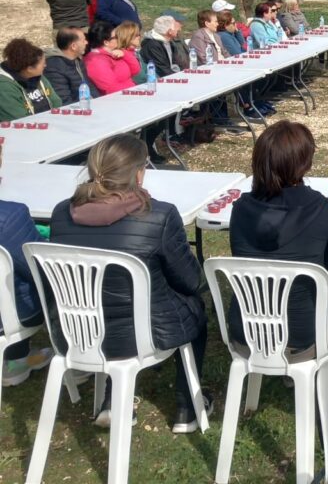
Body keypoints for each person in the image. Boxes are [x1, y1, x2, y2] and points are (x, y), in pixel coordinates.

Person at [48, 134, 210, 432]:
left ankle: (113, 399)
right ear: (138, 173)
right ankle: (187, 405)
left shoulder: (61, 214)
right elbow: (189, 280)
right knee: (196, 310)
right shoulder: (158, 215)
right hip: (144, 333)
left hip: (79, 331)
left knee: (108, 303)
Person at [229, 121, 328, 349]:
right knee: (326, 291)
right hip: (304, 333)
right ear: (305, 164)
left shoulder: (241, 208)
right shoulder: (326, 209)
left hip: (246, 328)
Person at [0, 199, 51, 388]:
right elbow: (40, 270)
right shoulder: (12, 215)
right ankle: (15, 361)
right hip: (9, 317)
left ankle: (16, 357)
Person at [0, 38, 62, 120]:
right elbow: (20, 119)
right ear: (29, 69)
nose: (45, 65)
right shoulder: (4, 87)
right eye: (43, 63)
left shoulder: (37, 76)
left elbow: (56, 102)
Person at [83, 20, 140, 95]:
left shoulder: (114, 52)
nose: (119, 38)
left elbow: (135, 70)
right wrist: (136, 92)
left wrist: (125, 53)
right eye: (115, 37)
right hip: (119, 98)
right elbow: (111, 88)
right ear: (106, 42)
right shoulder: (95, 61)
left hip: (130, 92)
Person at [44, 26, 96, 105]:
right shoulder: (54, 67)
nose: (86, 42)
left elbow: (90, 86)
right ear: (73, 46)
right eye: (83, 40)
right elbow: (64, 100)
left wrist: (100, 102)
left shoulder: (77, 60)